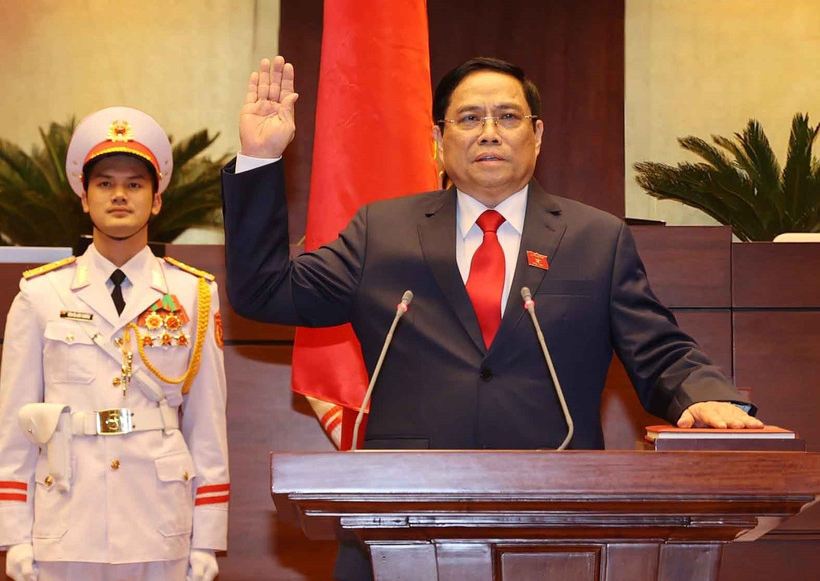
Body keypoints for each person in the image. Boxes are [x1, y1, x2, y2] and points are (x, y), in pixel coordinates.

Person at [221, 56, 762, 580]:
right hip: (404, 516)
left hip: (559, 513)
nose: (489, 133)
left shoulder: (596, 238)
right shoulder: (381, 232)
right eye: (468, 118)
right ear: (438, 139)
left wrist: (706, 396)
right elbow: (266, 292)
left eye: (507, 117)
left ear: (537, 134)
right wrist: (260, 160)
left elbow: (658, 347)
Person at [0, 107, 229, 581]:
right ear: (84, 198)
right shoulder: (41, 294)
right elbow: (15, 425)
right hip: (67, 521)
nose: (120, 195)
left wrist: (207, 537)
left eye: (135, 184)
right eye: (104, 183)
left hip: (159, 522)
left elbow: (207, 422)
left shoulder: (193, 294)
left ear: (156, 200)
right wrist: (14, 535)